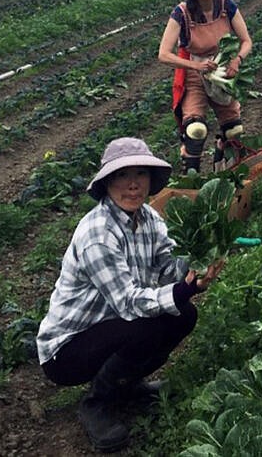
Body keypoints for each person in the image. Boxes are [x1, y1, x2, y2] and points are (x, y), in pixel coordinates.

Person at [36, 137, 227, 452]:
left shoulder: (149, 218)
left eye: (140, 174)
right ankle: (97, 404)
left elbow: (167, 266)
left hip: (112, 326)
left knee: (183, 316)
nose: (133, 184)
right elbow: (129, 302)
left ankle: (126, 385)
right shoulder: (98, 234)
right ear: (108, 183)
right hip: (67, 351)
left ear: (151, 181)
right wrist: (184, 290)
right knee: (147, 324)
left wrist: (200, 259)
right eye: (122, 175)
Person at [158, 0, 253, 172]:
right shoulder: (181, 12)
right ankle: (191, 179)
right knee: (196, 130)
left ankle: (225, 170)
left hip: (222, 73)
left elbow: (247, 41)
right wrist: (195, 66)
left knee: (234, 131)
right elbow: (163, 54)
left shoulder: (227, 7)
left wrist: (237, 60)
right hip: (194, 73)